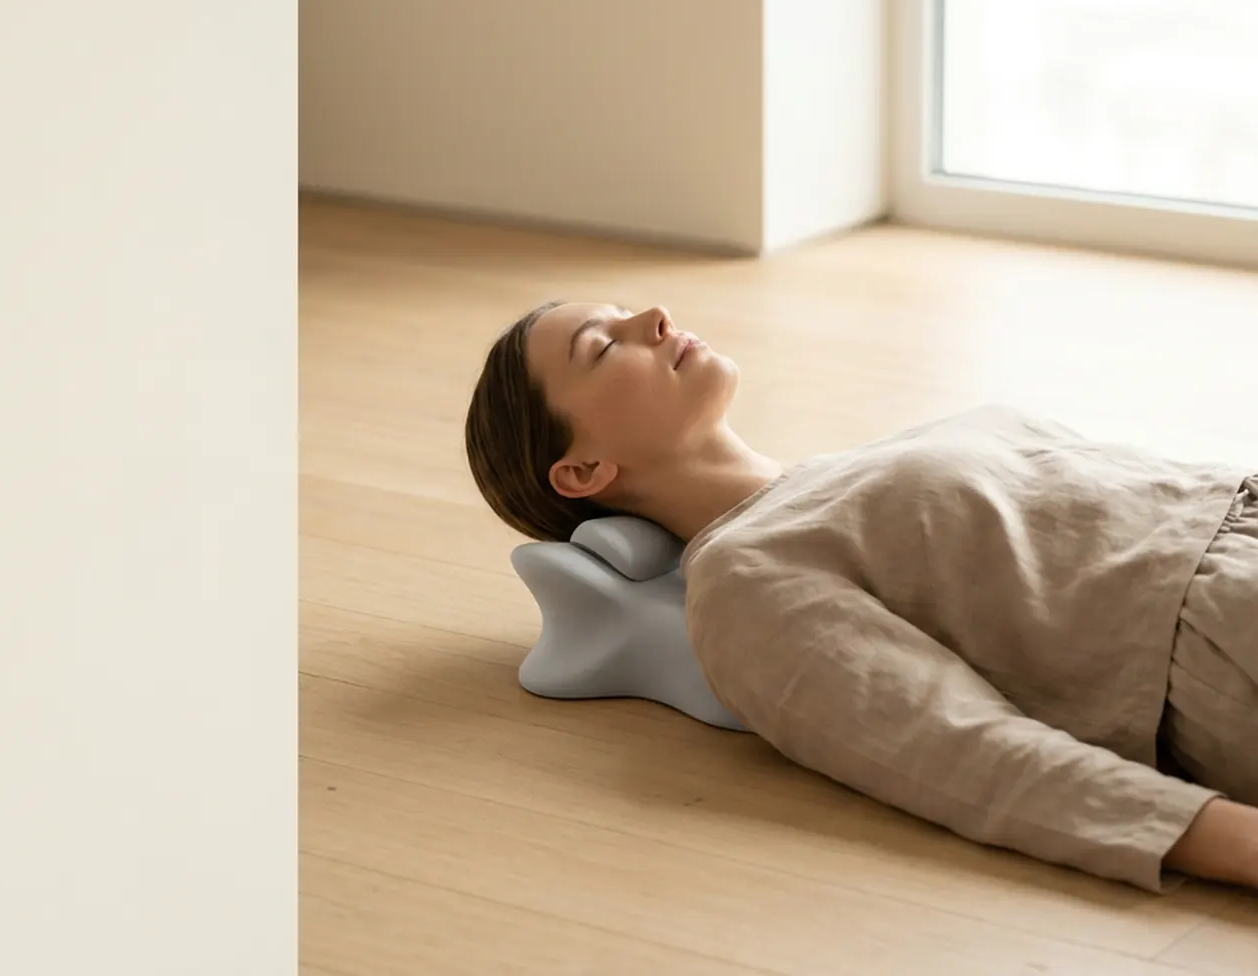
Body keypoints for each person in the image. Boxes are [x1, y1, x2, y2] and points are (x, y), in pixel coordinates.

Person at [462, 299, 1258, 895]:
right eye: (604, 346)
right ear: (583, 471)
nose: (654, 317)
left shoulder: (843, 476)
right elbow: (961, 752)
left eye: (626, 311)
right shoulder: (745, 580)